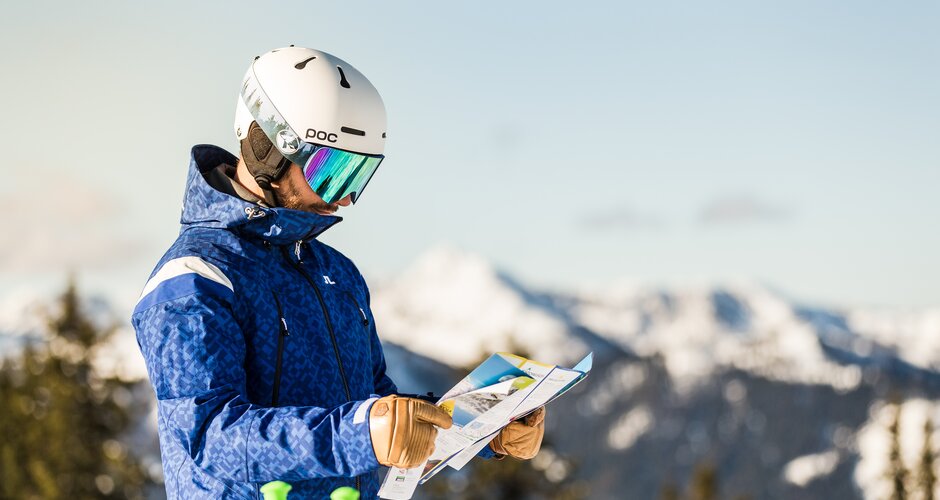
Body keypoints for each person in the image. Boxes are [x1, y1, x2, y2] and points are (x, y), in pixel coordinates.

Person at [132, 46, 545, 499]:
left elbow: (378, 406)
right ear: (266, 147)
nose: (343, 199)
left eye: (357, 175)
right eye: (330, 170)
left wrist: (483, 429)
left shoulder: (335, 272)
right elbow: (211, 435)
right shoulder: (195, 278)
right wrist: (360, 435)